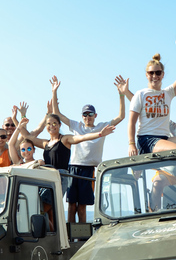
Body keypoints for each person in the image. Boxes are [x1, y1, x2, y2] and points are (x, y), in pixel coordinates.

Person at [50, 76, 126, 223]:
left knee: (82, 208)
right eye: (85, 114)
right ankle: (71, 236)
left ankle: (82, 237)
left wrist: (121, 94)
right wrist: (54, 92)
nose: (87, 117)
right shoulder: (76, 126)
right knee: (71, 206)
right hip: (73, 168)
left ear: (95, 115)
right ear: (82, 116)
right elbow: (57, 115)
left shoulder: (101, 127)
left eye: (90, 114)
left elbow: (121, 116)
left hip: (89, 169)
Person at [129, 34, 176, 156]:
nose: (154, 76)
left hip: (164, 139)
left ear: (163, 74)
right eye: (151, 73)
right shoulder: (140, 94)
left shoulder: (167, 93)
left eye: (158, 73)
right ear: (146, 75)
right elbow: (131, 122)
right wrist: (131, 144)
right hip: (147, 140)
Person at [16, 115, 115, 196]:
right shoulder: (45, 143)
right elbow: (28, 136)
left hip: (60, 177)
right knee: (46, 210)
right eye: (49, 124)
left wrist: (100, 134)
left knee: (48, 206)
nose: (52, 126)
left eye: (54, 123)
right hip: (47, 176)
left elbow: (82, 137)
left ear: (59, 125)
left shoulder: (65, 139)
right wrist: (18, 123)